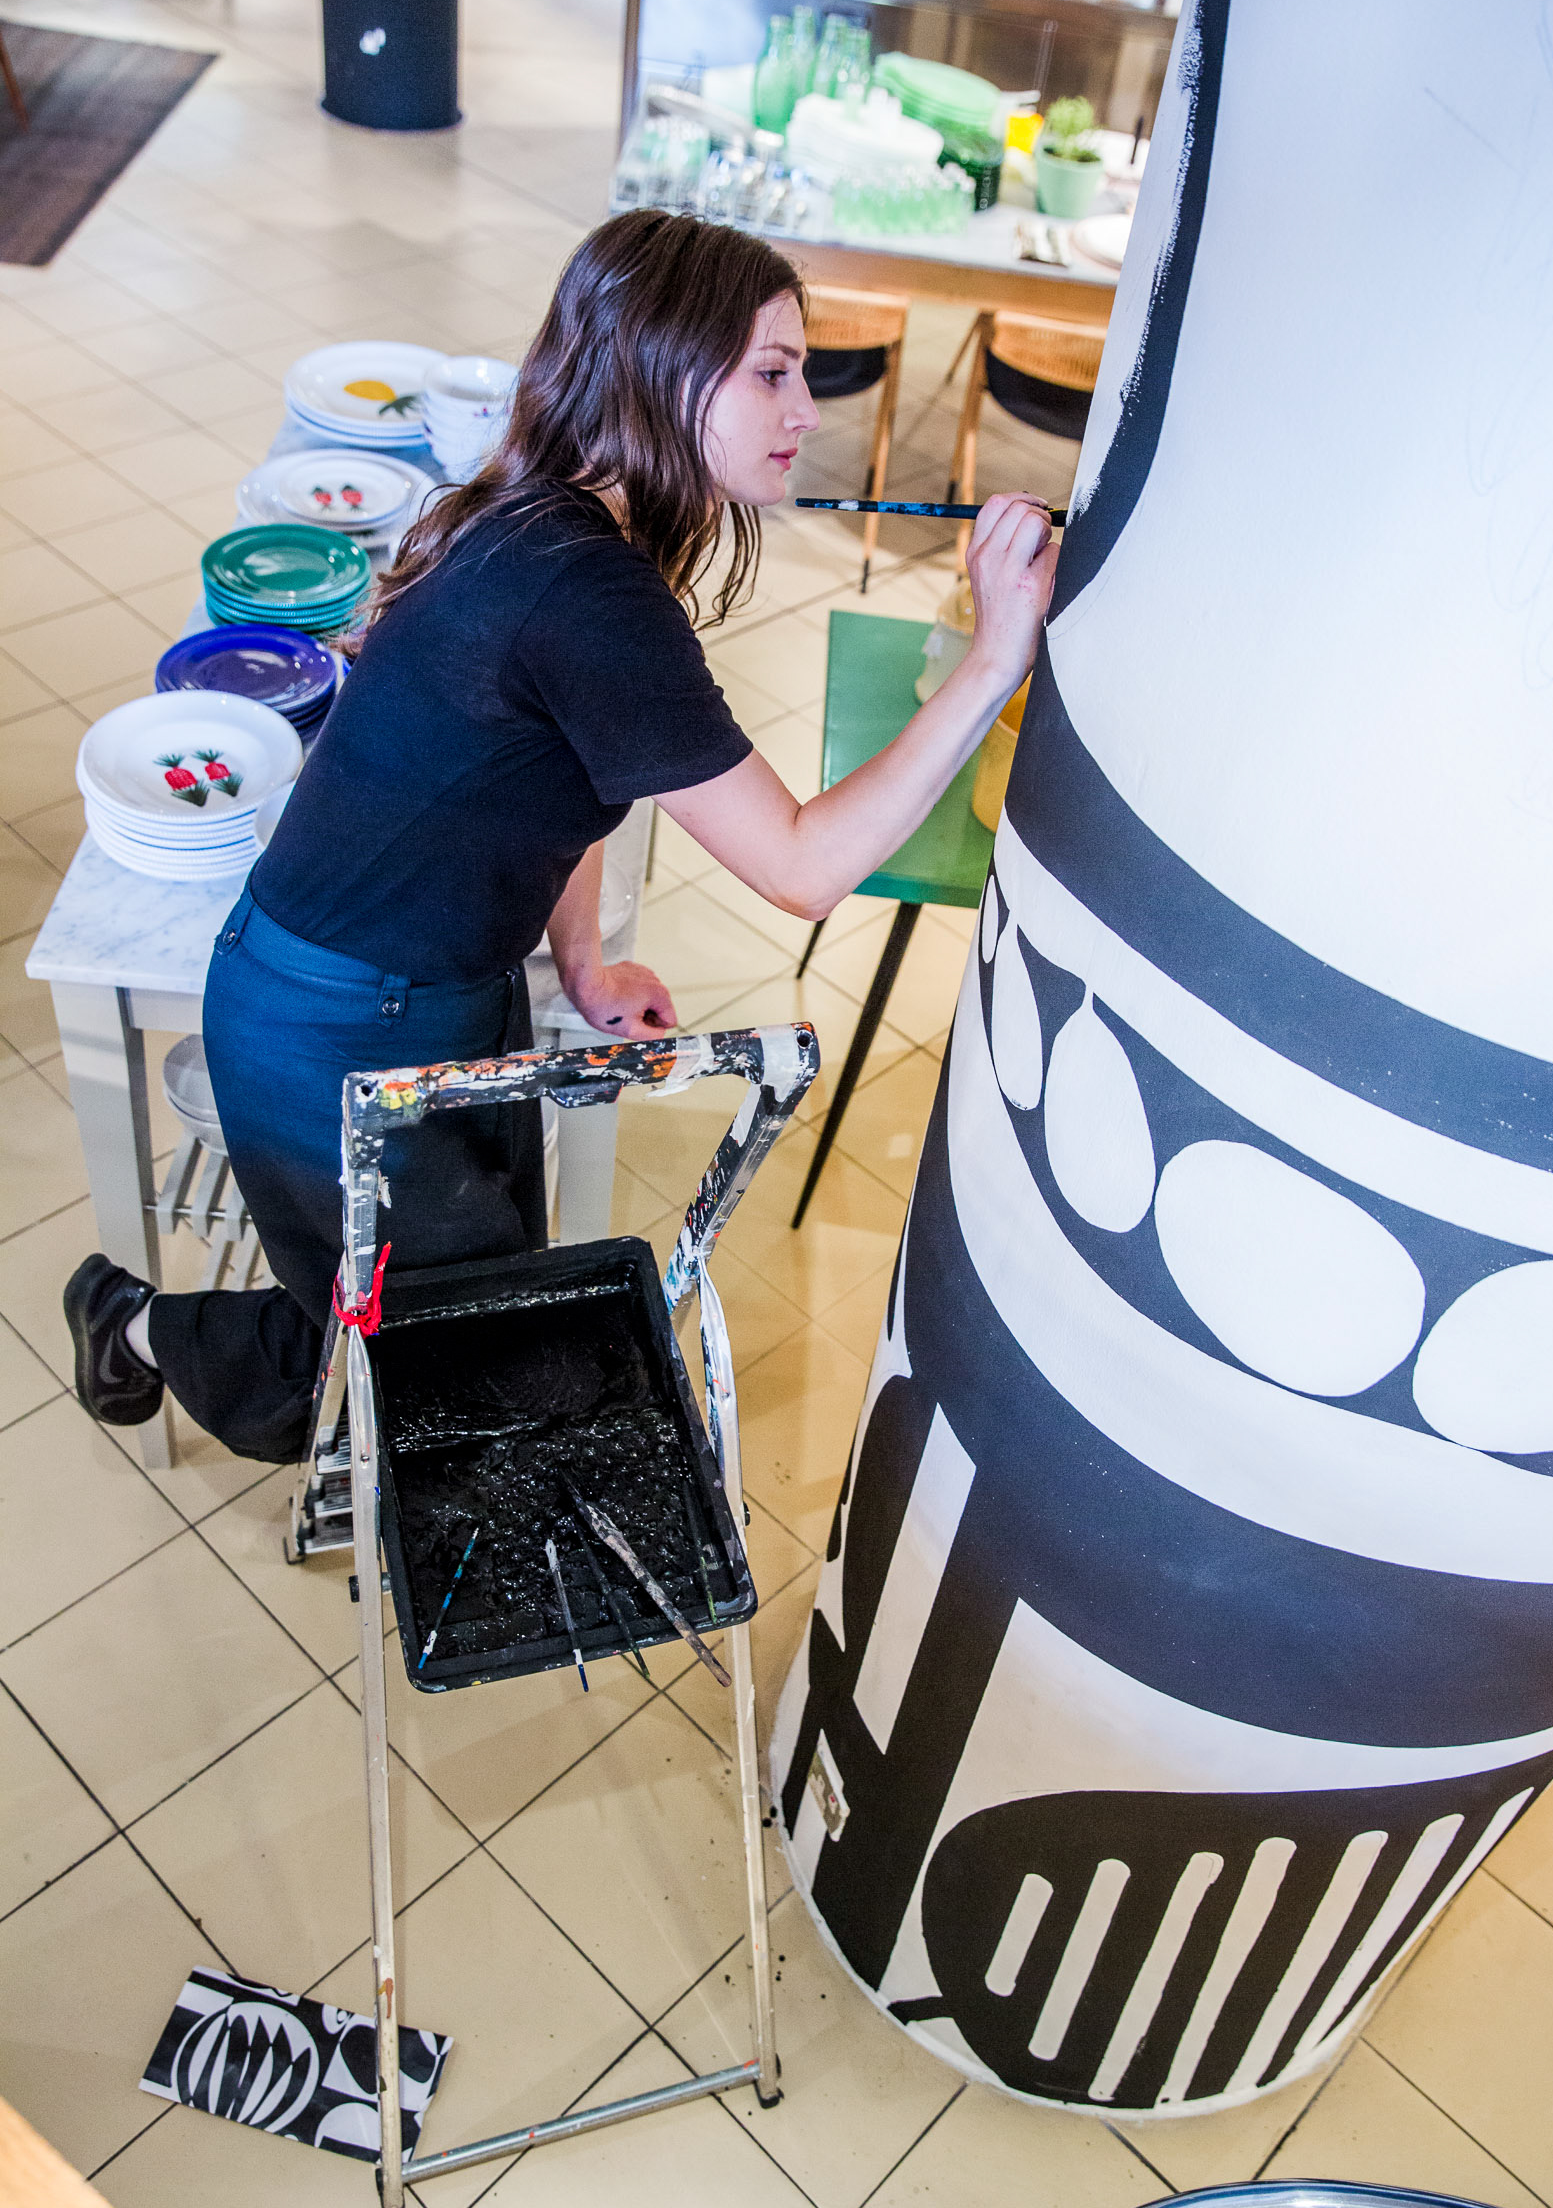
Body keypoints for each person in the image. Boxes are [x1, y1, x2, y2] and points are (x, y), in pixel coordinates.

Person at [63, 210, 1057, 1464]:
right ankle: (138, 1325)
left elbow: (567, 765)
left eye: (799, 372)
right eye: (769, 372)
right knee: (445, 1357)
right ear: (655, 368)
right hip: (325, 1022)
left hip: (424, 994)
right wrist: (991, 658)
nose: (806, 408)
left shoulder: (569, 525)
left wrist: (581, 960)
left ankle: (184, 1337)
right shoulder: (585, 588)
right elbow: (802, 866)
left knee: (439, 1316)